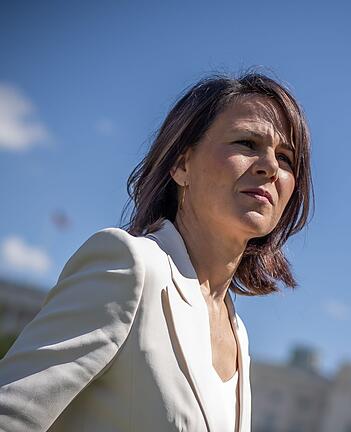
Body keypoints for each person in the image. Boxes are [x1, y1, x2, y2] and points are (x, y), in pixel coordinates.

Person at [0, 72, 313, 432]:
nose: (270, 167)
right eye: (246, 143)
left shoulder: (237, 331)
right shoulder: (129, 265)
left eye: (286, 159)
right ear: (181, 165)